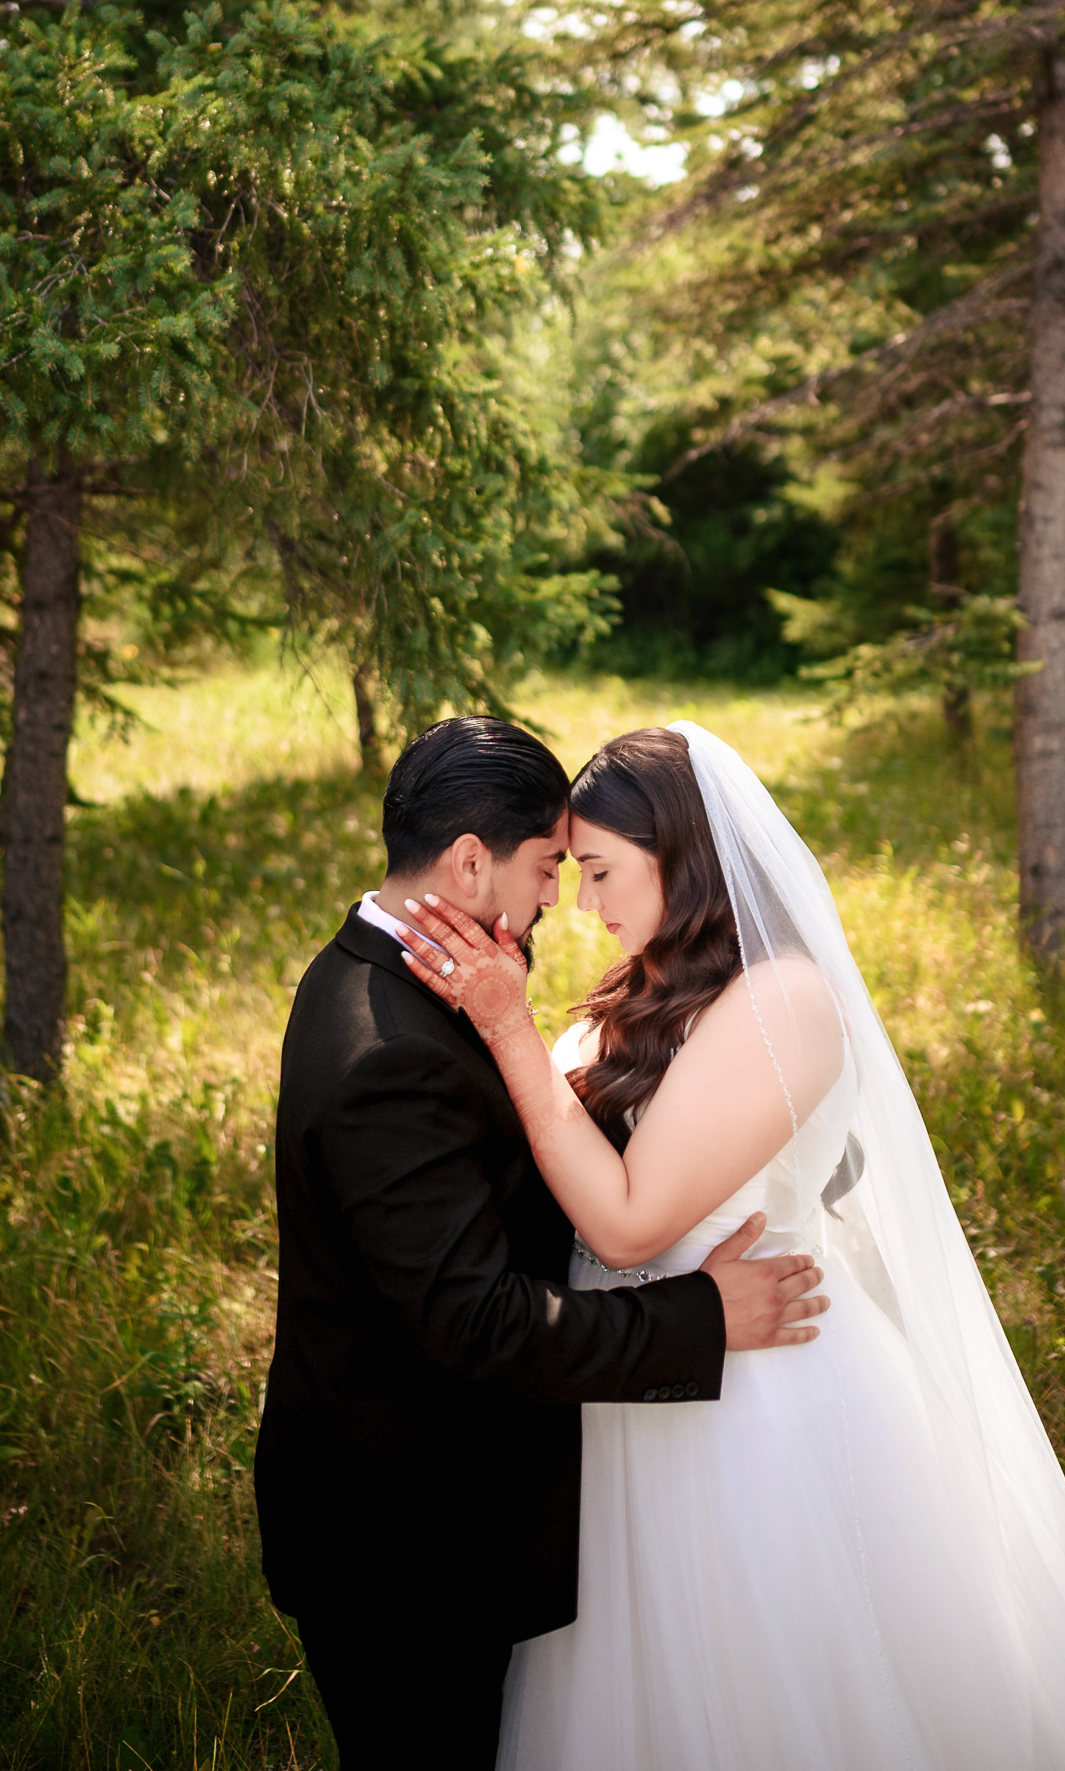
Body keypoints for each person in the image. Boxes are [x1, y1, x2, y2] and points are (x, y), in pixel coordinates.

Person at [399, 722, 1065, 1771]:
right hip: (644, 1374)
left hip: (756, 1408)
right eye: (575, 875)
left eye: (601, 872)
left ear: (685, 854)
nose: (585, 905)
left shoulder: (782, 1003)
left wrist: (508, 1030)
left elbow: (630, 1219)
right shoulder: (649, 981)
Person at [253, 716, 827, 1771]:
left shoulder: (398, 974)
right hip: (404, 1539)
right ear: (470, 862)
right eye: (551, 866)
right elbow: (472, 1320)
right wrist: (700, 1315)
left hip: (468, 1498)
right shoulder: (388, 1046)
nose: (562, 897)